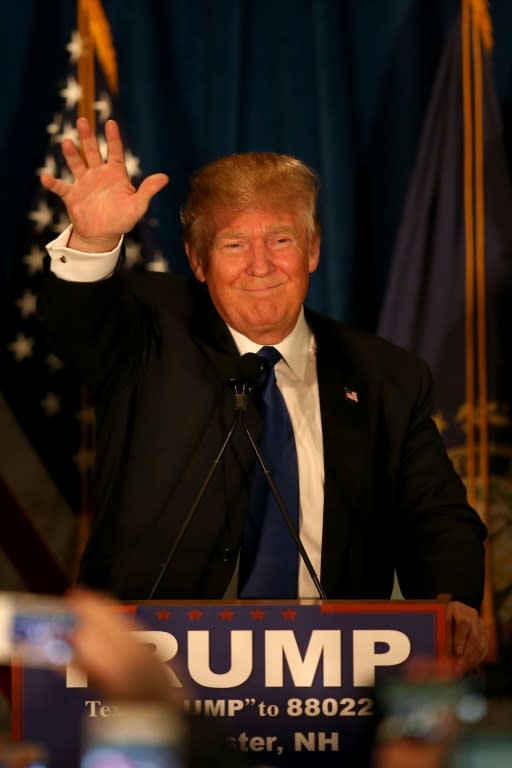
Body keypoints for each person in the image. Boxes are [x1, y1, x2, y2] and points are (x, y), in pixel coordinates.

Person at [38, 117, 488, 674]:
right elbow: (77, 321)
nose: (260, 265)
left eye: (280, 240)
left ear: (313, 250)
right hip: (155, 668)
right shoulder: (149, 333)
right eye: (233, 244)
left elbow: (436, 514)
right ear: (198, 262)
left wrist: (452, 599)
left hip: (328, 674)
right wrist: (97, 240)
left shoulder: (385, 376)